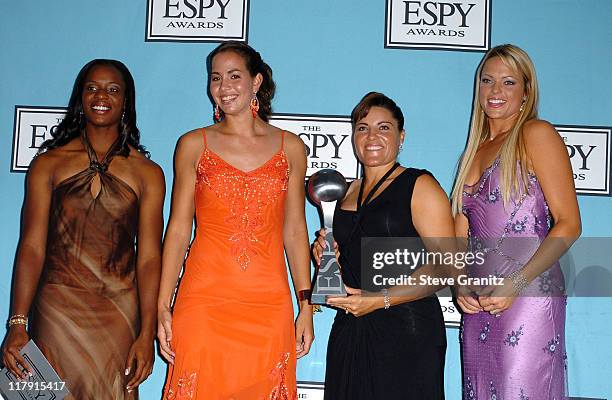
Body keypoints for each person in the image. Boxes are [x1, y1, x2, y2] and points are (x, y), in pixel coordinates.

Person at [157, 41, 314, 399]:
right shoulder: (193, 144)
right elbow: (179, 229)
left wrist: (306, 304)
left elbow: (294, 230)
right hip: (203, 302)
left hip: (269, 302)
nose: (224, 87)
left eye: (234, 76)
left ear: (256, 82)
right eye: (215, 78)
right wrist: (163, 305)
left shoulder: (291, 148)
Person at [1, 59, 165, 399]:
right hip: (57, 308)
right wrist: (18, 323)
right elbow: (31, 247)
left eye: (112, 89)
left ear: (126, 102)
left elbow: (149, 258)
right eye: (92, 88)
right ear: (80, 98)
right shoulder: (48, 164)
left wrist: (146, 331)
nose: (101, 96)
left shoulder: (148, 173)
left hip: (118, 310)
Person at [451, 44, 581, 399]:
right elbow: (461, 235)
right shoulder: (472, 152)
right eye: (488, 80)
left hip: (528, 294)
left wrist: (517, 283)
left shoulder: (536, 134)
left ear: (526, 92)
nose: (495, 91)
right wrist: (460, 285)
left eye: (508, 82)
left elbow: (569, 223)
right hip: (478, 303)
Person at [312, 92, 456, 399]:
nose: (372, 136)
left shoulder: (419, 185)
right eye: (362, 128)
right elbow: (344, 269)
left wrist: (379, 300)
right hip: (352, 329)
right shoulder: (342, 193)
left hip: (408, 332)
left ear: (401, 136)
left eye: (384, 128)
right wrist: (326, 258)